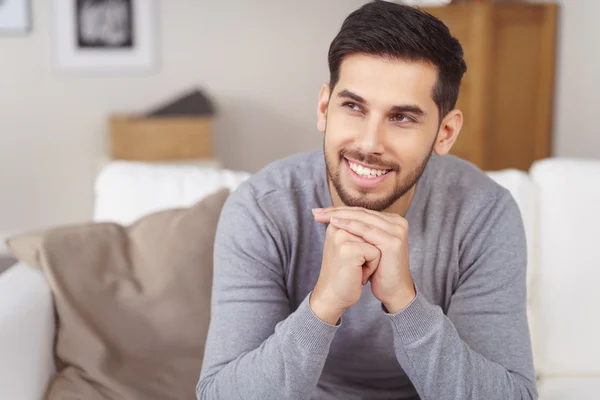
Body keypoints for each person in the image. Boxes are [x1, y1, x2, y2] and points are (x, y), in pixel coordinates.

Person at [196, 1, 537, 399]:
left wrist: (404, 302)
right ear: (325, 108)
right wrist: (323, 305)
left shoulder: (485, 213)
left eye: (402, 117)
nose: (369, 143)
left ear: (445, 133)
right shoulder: (261, 209)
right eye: (354, 107)